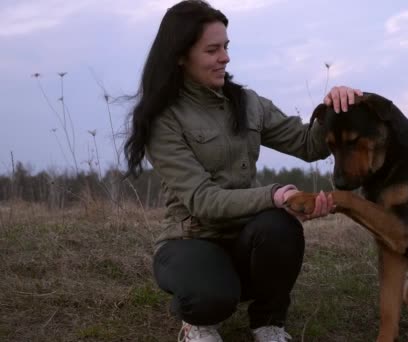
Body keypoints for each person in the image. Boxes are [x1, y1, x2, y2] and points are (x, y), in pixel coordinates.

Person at [123, 1, 361, 341]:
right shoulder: (164, 119)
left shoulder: (249, 103)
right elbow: (203, 200)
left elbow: (310, 145)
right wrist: (275, 195)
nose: (225, 57)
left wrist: (336, 109)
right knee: (212, 297)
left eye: (226, 47)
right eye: (212, 49)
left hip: (245, 238)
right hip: (190, 241)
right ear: (180, 55)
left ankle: (268, 323)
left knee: (281, 227)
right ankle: (198, 322)